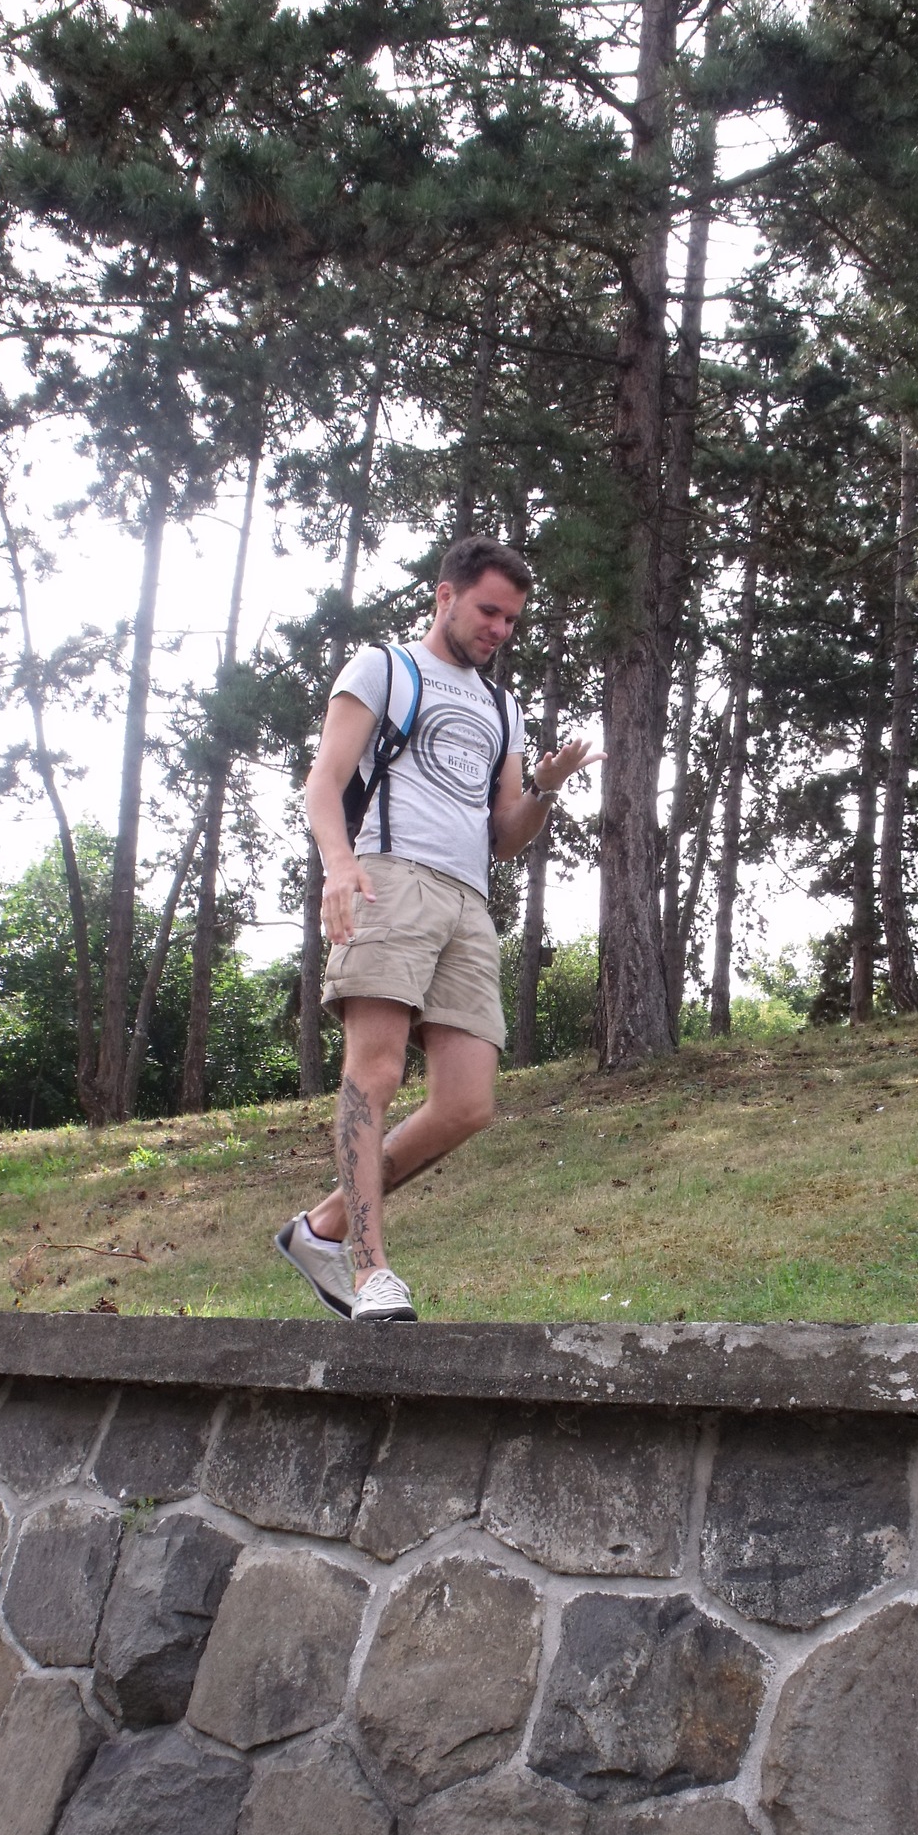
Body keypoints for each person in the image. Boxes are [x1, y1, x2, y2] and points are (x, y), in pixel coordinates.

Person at [275, 535, 601, 1321]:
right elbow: (324, 780)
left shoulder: (501, 707)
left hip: (468, 900)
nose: (500, 630)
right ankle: (368, 1271)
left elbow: (505, 835)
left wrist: (545, 789)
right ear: (445, 596)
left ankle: (320, 1228)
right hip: (388, 878)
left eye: (512, 620)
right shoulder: (384, 669)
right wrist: (339, 864)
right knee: (376, 1073)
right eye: (489, 611)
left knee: (466, 1103)